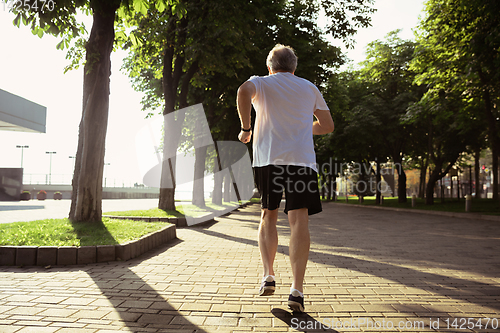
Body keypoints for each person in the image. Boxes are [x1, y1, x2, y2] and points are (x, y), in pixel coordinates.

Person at [236, 44, 334, 312]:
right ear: (294, 67)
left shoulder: (261, 83)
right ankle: (297, 291)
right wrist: (302, 127)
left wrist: (246, 128)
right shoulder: (309, 87)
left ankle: (268, 275)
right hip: (301, 161)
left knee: (268, 213)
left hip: (269, 159)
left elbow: (243, 91)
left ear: (270, 67)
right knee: (299, 219)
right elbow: (327, 126)